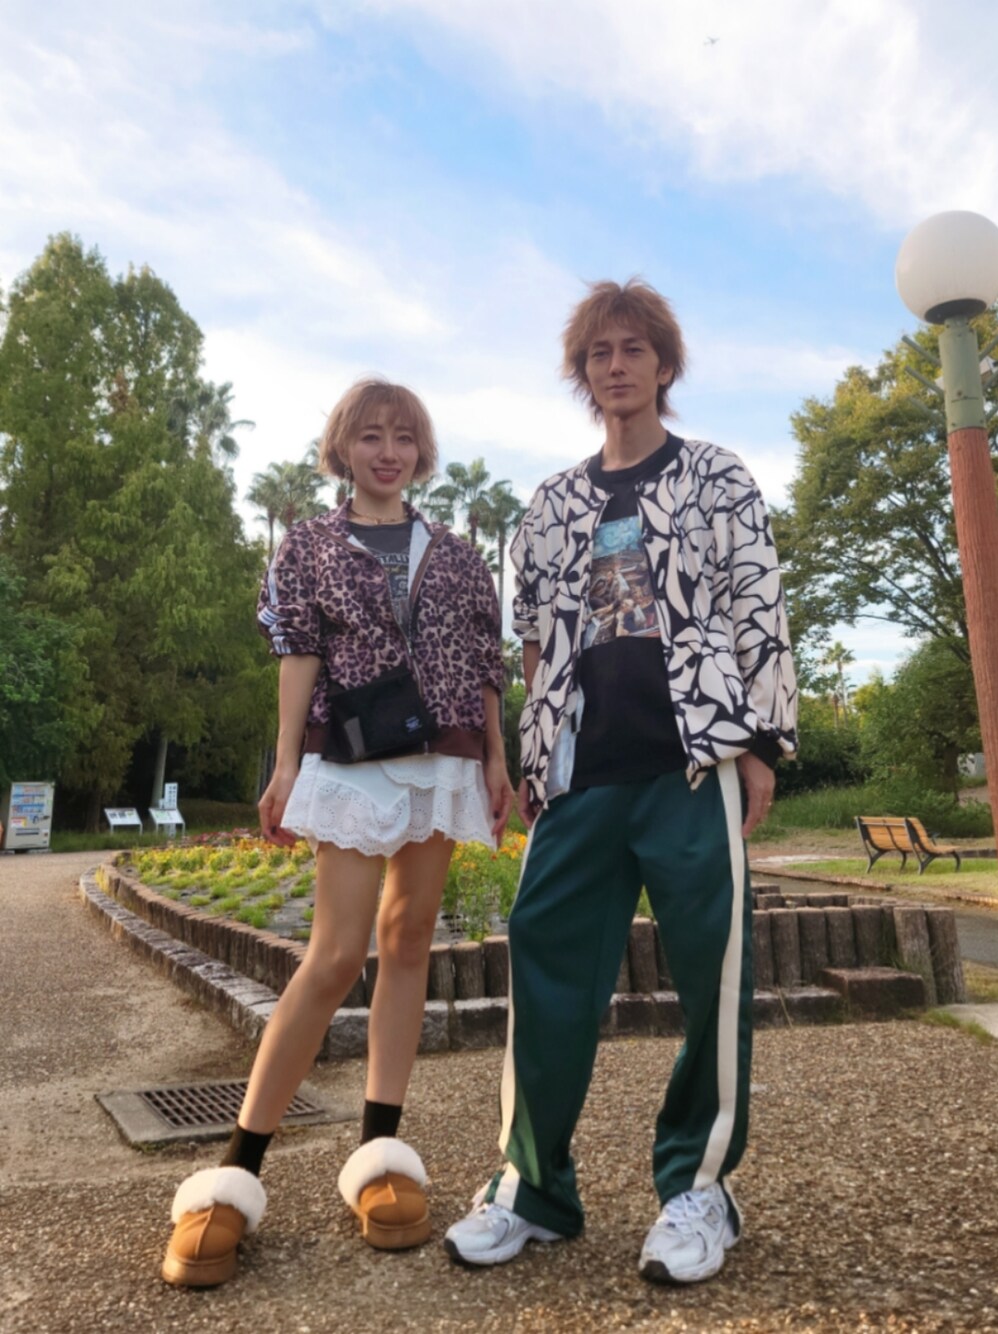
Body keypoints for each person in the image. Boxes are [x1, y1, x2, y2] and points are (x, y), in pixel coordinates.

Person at [444, 280, 797, 1285]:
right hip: (581, 772)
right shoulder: (551, 504)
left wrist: (762, 742)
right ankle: (532, 1188)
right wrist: (531, 751)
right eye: (599, 351)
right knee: (545, 968)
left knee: (713, 979)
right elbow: (532, 642)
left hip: (692, 760)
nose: (616, 365)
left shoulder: (718, 477)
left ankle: (699, 1187)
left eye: (634, 348)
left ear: (664, 364)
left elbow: (758, 606)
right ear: (582, 372)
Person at [161, 378, 513, 1287]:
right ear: (343, 448)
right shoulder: (310, 545)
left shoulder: (459, 555)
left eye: (403, 438)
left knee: (410, 940)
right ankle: (236, 1170)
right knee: (334, 955)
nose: (388, 452)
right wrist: (285, 764)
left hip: (444, 757)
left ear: (421, 452)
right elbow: (298, 653)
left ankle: (381, 1154)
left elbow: (484, 662)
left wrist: (496, 759)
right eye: (371, 437)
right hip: (352, 757)